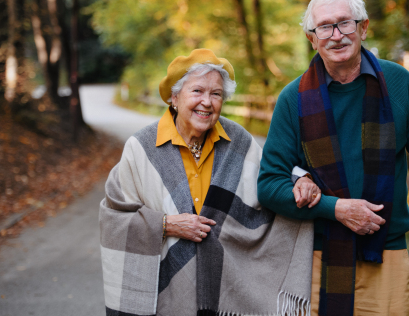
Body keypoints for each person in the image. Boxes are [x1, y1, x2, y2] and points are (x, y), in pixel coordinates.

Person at [257, 0, 409, 316]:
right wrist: (335, 208)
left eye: (345, 23)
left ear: (363, 28)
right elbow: (269, 185)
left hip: (387, 252)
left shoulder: (398, 82)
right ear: (312, 39)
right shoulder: (294, 99)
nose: (336, 35)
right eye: (325, 27)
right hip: (318, 258)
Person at [99, 48, 316, 316]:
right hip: (164, 290)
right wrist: (165, 225)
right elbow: (113, 216)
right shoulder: (141, 147)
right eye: (197, 91)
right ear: (175, 98)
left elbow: (272, 171)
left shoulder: (239, 141)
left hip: (226, 289)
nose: (207, 102)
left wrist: (301, 178)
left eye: (216, 94)